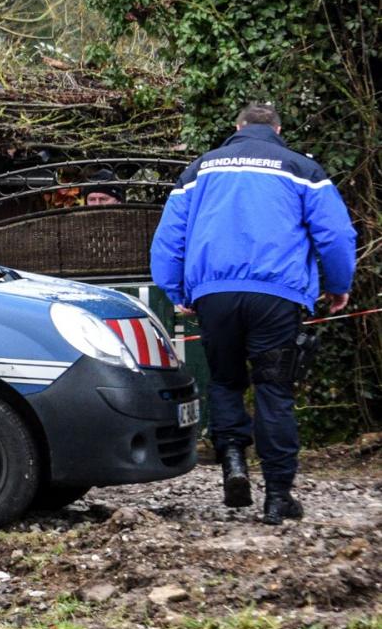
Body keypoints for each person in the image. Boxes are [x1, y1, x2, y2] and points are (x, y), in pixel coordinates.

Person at [150, 102, 358, 524]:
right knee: (274, 390)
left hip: (215, 295)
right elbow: (335, 234)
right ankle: (279, 496)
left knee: (225, 381)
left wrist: (177, 290)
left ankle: (233, 465)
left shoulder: (199, 171)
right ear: (278, 129)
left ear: (237, 127)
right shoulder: (302, 170)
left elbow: (168, 238)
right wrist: (338, 286)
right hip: (277, 296)